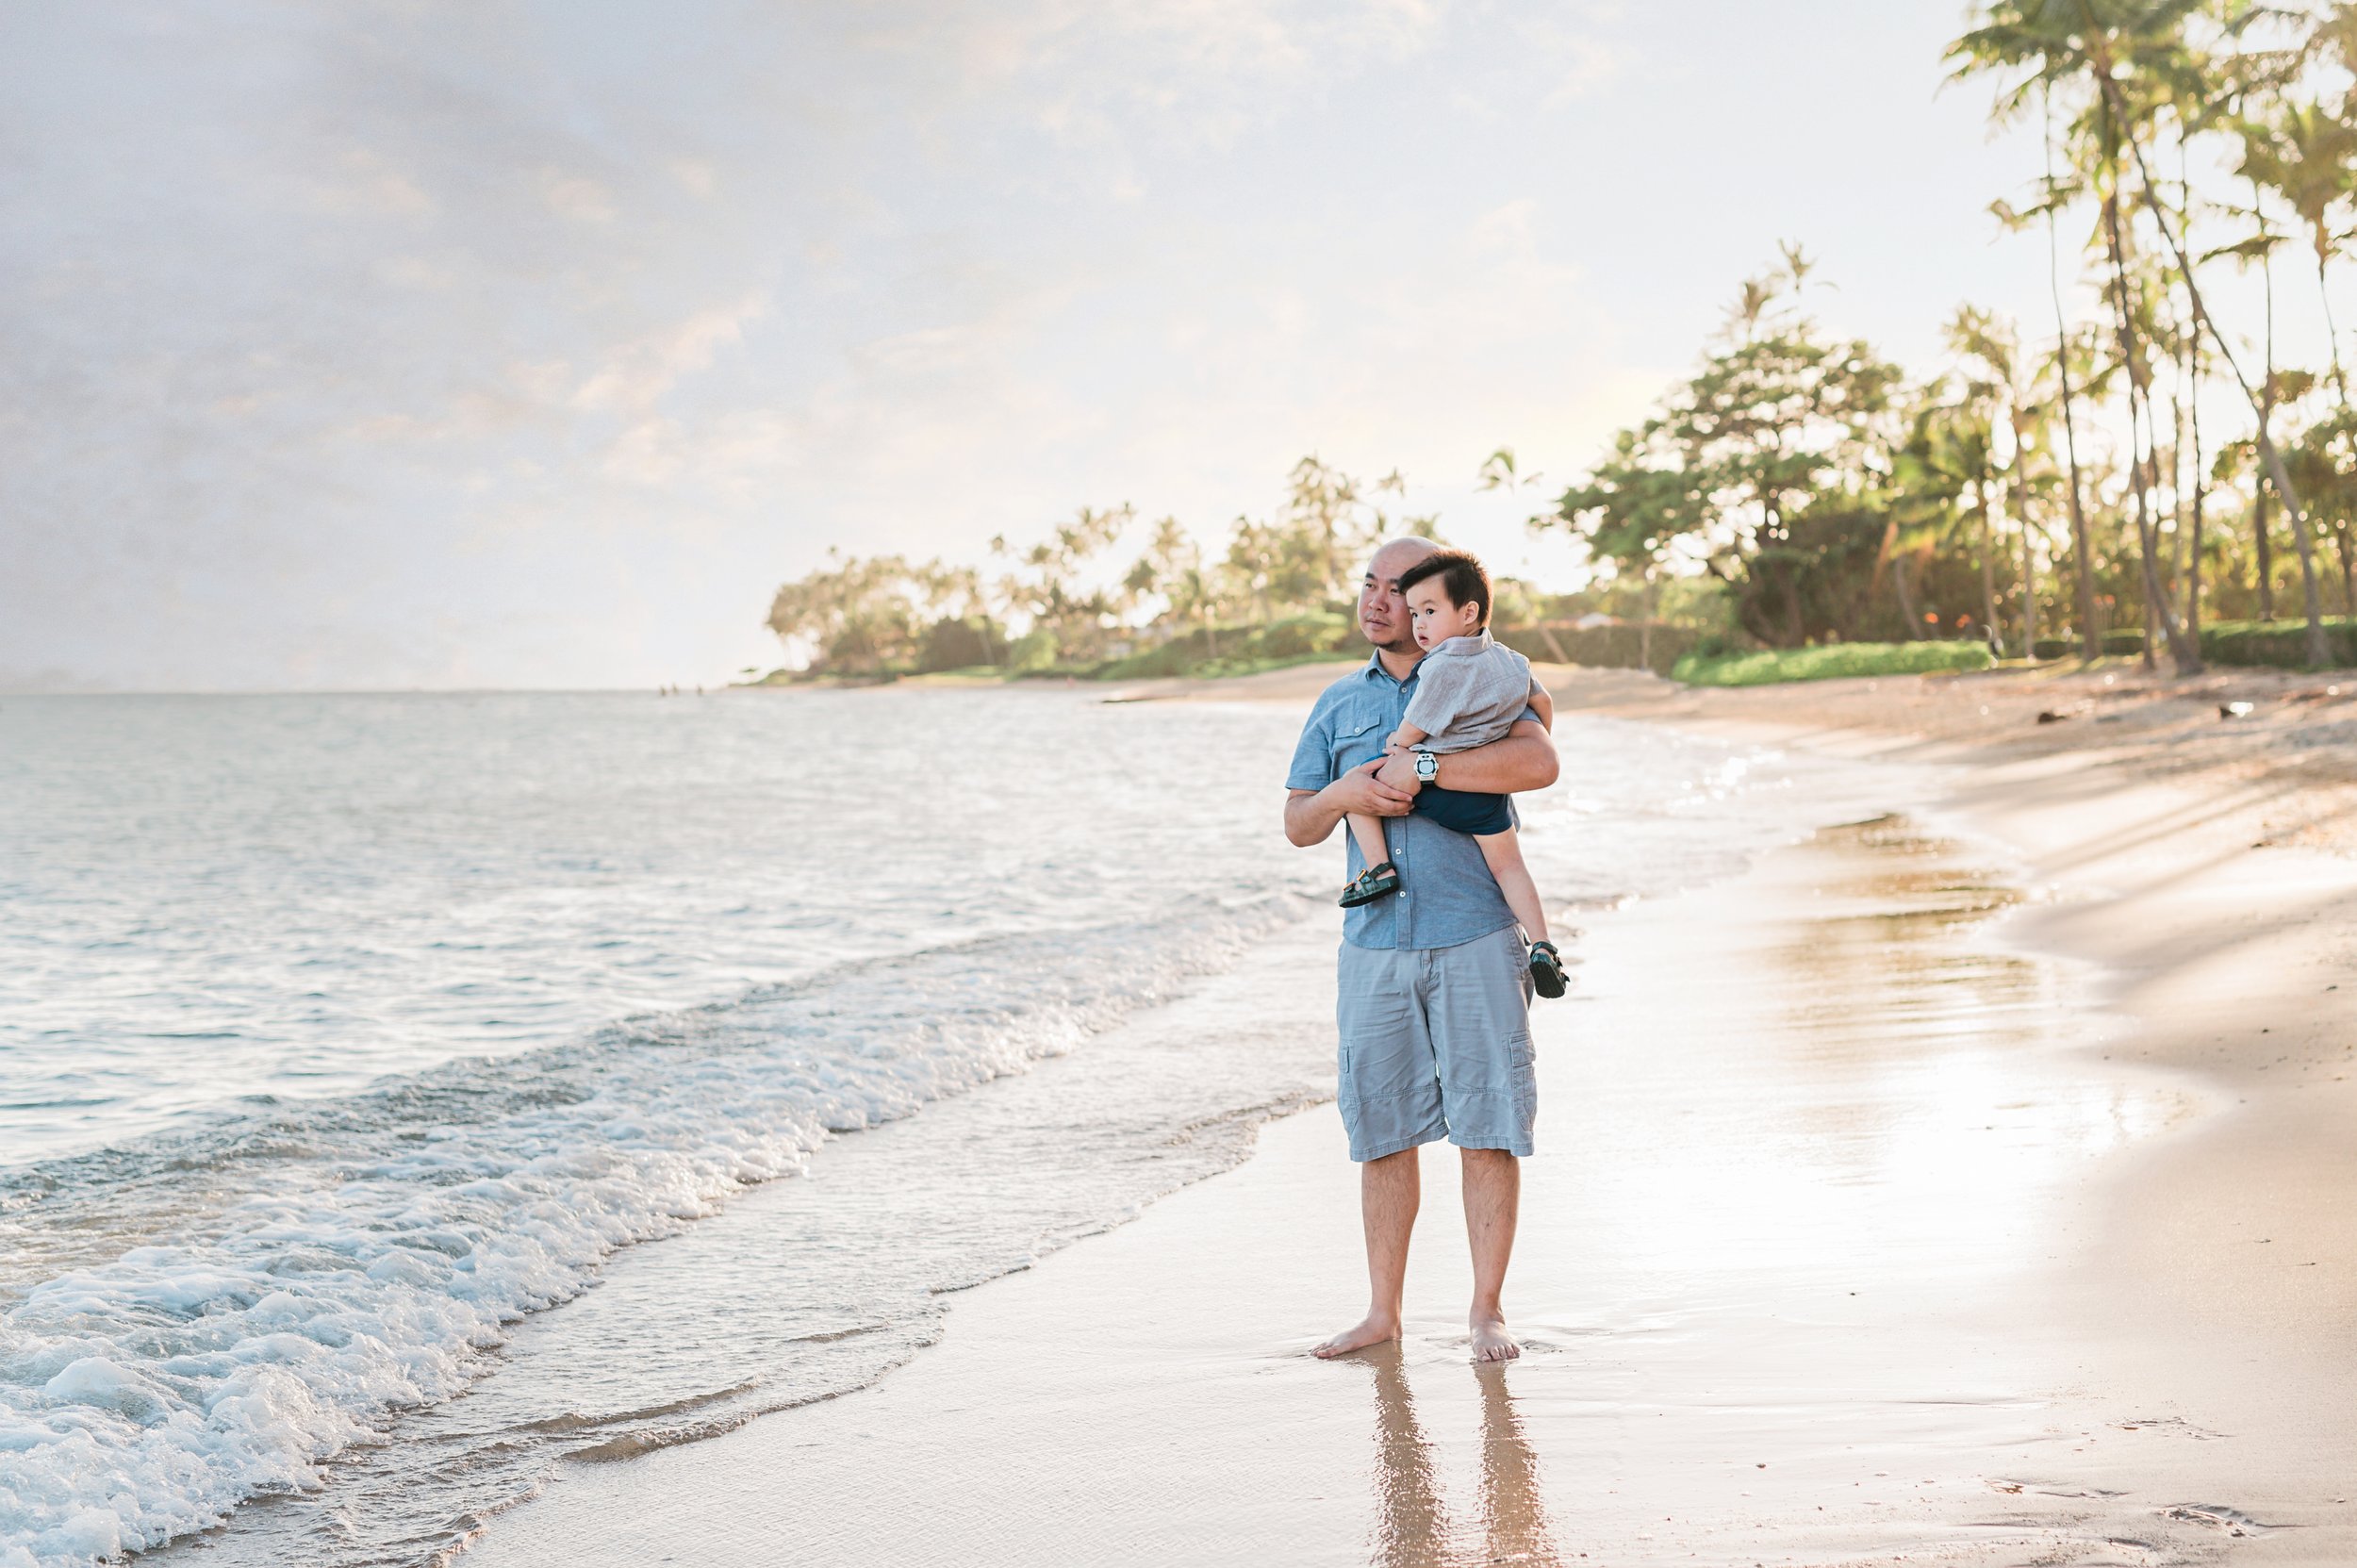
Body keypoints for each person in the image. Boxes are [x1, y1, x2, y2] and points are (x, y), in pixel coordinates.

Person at [1284, 536, 1559, 1363]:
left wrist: (1426, 765)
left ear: (1438, 602)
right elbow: (1299, 823)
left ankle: (1485, 1311)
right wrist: (1346, 791)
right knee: (1381, 1132)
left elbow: (1539, 759)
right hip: (1373, 946)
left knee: (1489, 1124)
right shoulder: (1337, 702)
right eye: (1366, 583)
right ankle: (1382, 1313)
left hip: (1475, 932)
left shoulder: (1482, 674)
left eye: (1398, 587)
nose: (1375, 599)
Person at [1336, 548, 1566, 1000]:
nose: (1419, 623)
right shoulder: (1511, 660)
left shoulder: (1440, 665)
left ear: (1468, 612)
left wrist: (1398, 750)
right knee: (1510, 865)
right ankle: (1542, 944)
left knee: (1355, 790)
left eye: (1429, 611)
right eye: (1416, 612)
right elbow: (1542, 702)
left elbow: (1416, 724)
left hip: (1434, 784)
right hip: (1484, 794)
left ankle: (1378, 869)